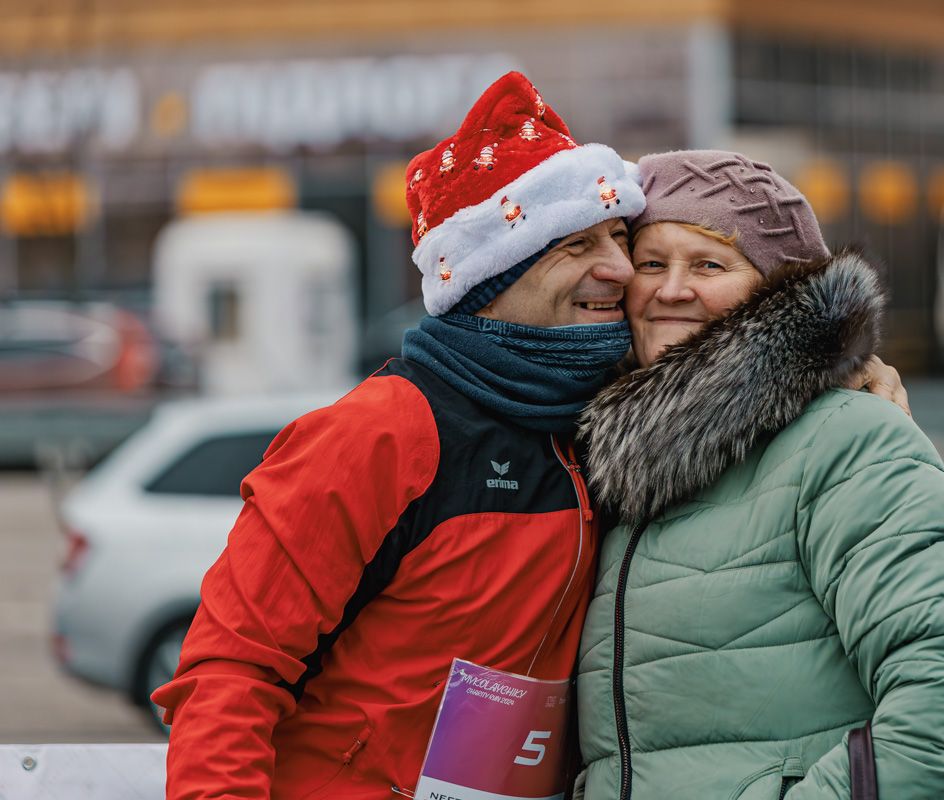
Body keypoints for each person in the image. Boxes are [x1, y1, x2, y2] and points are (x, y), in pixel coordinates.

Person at [152, 73, 904, 798]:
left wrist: (832, 372)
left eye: (618, 237)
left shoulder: (607, 426)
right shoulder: (376, 434)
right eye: (576, 246)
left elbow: (731, 383)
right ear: (488, 275)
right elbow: (228, 675)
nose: (621, 271)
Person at [574, 151, 944, 799]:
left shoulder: (848, 438)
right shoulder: (610, 456)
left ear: (775, 292)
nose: (670, 289)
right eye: (651, 263)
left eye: (709, 264)